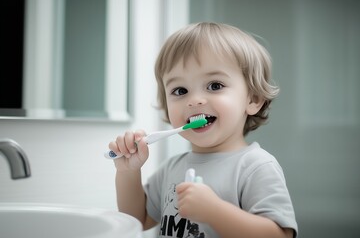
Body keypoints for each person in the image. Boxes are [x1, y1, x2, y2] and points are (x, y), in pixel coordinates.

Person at [109, 22, 298, 237]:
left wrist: (215, 212)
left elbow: (281, 235)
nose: (195, 100)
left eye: (215, 85)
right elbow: (137, 220)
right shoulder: (172, 168)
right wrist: (128, 172)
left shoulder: (255, 167)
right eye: (180, 90)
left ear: (253, 99)